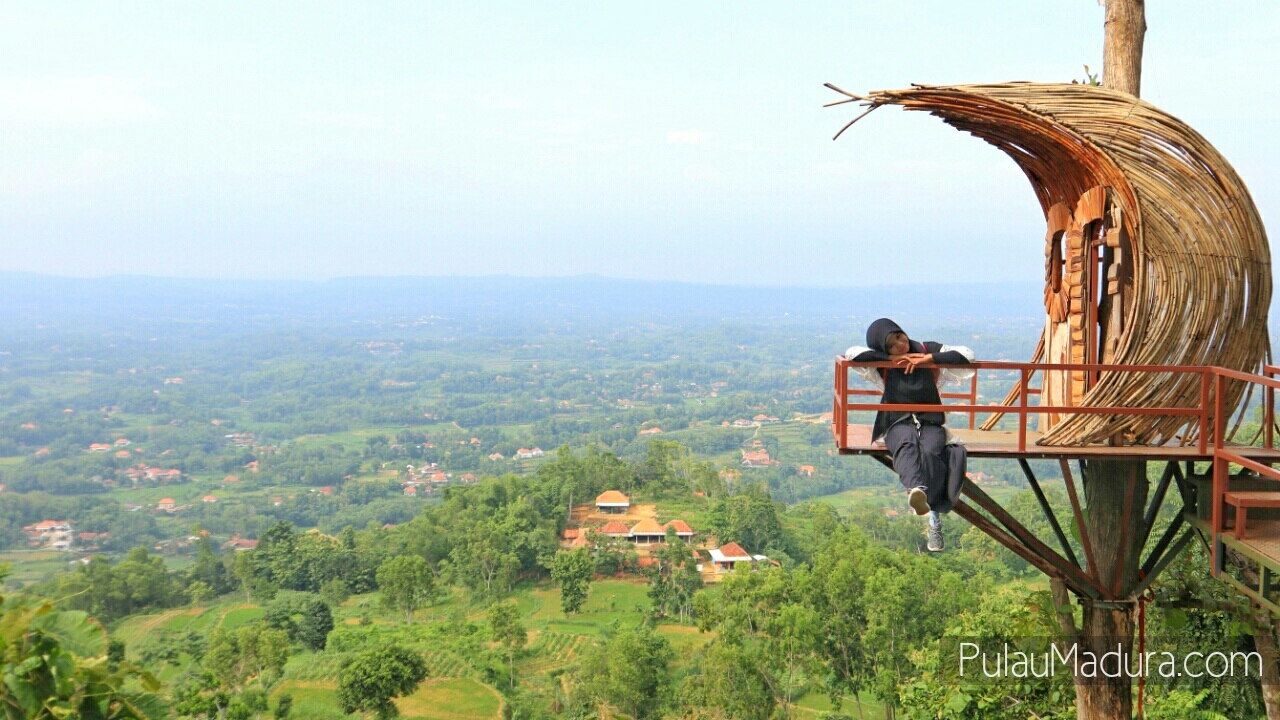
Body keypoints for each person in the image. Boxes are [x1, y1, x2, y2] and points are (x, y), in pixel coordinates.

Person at [846, 318, 974, 551]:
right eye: (892, 345)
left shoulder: (928, 349)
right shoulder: (882, 362)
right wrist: (890, 360)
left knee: (932, 450)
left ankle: (931, 512)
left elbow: (967, 355)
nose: (900, 345)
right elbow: (852, 354)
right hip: (896, 419)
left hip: (929, 418)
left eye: (899, 336)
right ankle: (916, 492)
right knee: (905, 443)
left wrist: (929, 360)